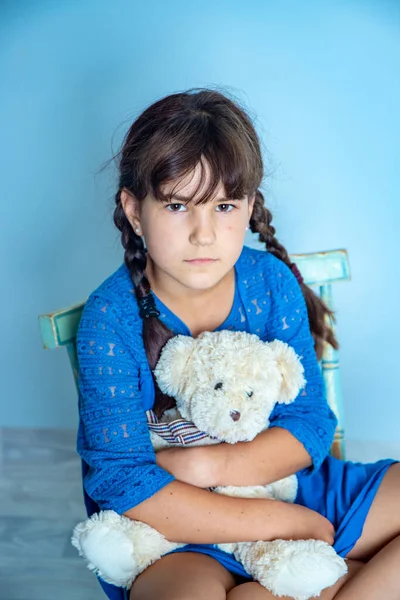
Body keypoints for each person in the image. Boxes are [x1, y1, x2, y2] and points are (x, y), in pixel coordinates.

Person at [75, 88, 399, 600]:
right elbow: (122, 482)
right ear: (135, 211)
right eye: (179, 205)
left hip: (295, 487)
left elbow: (311, 422)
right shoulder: (111, 319)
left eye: (224, 205)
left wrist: (215, 466)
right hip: (177, 528)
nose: (204, 234)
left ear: (249, 205)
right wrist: (281, 523)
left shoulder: (268, 283)